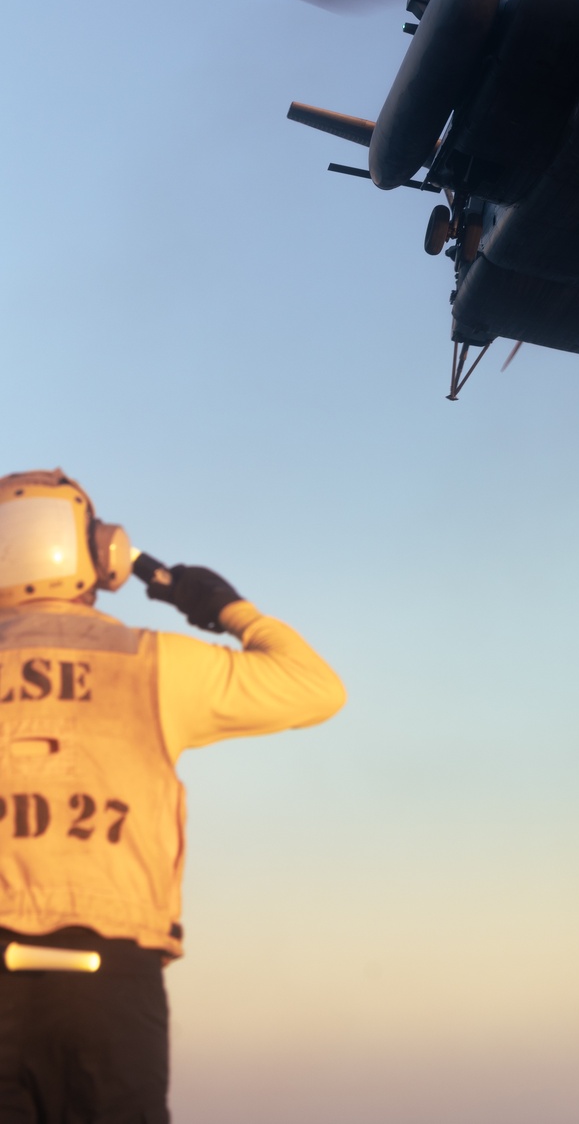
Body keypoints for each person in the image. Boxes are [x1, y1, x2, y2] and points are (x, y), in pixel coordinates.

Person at [0, 468, 346, 1122]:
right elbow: (316, 688)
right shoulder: (154, 664)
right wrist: (218, 604)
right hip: (107, 984)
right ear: (102, 555)